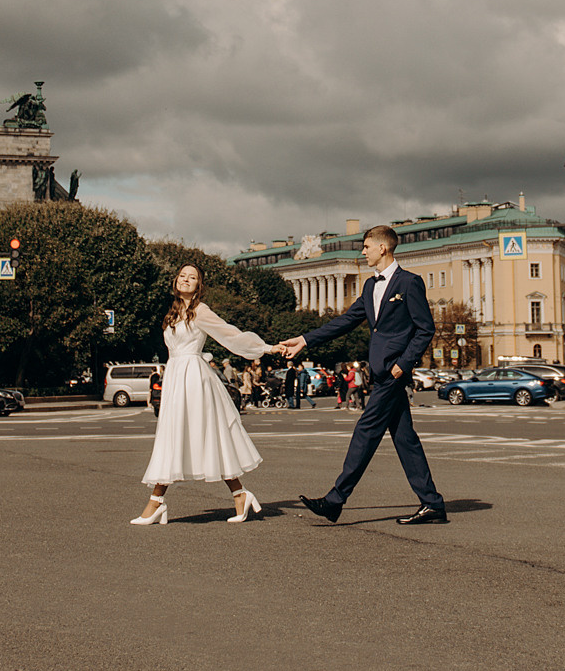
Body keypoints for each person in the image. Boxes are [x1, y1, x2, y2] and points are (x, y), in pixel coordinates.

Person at [281, 225, 450, 526]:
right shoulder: (371, 287)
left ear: (383, 248)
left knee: (365, 432)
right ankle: (432, 503)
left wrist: (404, 363)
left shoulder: (410, 283)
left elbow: (425, 329)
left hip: (392, 373)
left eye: (367, 246)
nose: (363, 251)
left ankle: (335, 500)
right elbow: (346, 321)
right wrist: (305, 339)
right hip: (381, 372)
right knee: (404, 439)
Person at [134, 265, 276, 525]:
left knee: (203, 436)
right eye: (182, 276)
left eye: (193, 278)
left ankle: (157, 503)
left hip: (194, 379)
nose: (186, 280)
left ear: (199, 285)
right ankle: (238, 495)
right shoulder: (173, 313)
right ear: (175, 280)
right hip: (176, 376)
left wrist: (266, 348)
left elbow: (230, 334)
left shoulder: (200, 311)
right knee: (176, 435)